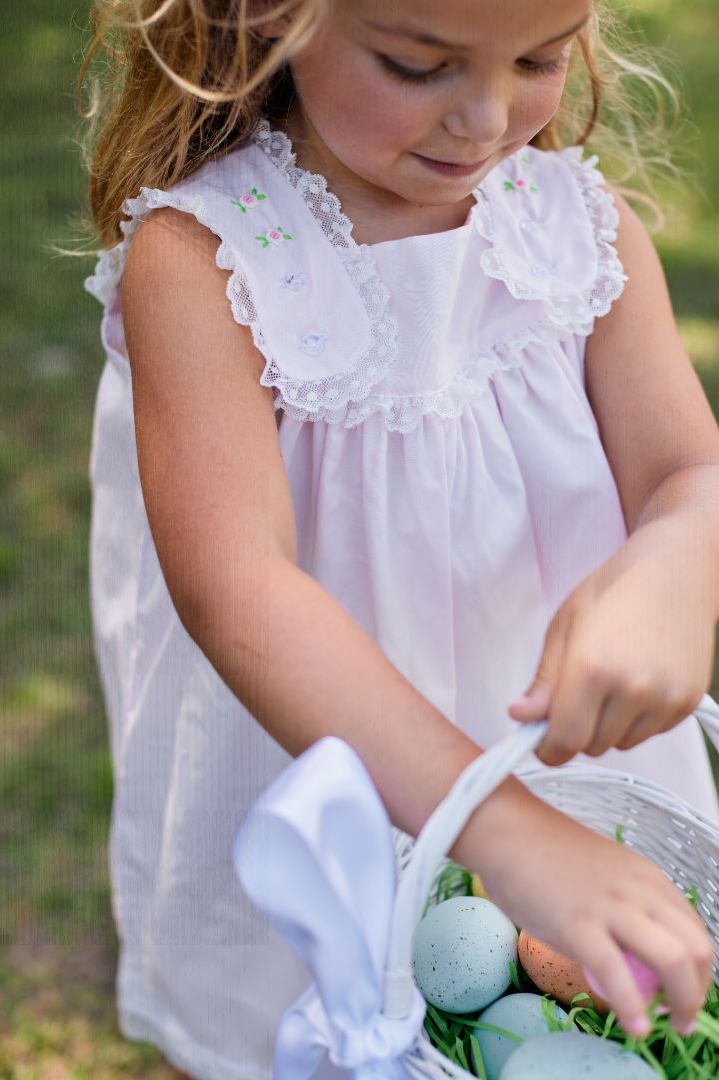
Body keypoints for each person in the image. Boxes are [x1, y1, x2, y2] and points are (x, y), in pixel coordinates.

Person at [78, 0, 719, 1076]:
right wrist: (504, 830)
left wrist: (674, 562)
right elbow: (239, 588)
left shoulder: (579, 229)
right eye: (419, 66)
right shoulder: (207, 258)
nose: (486, 118)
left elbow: (688, 471)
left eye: (540, 58)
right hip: (328, 745)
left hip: (552, 744)